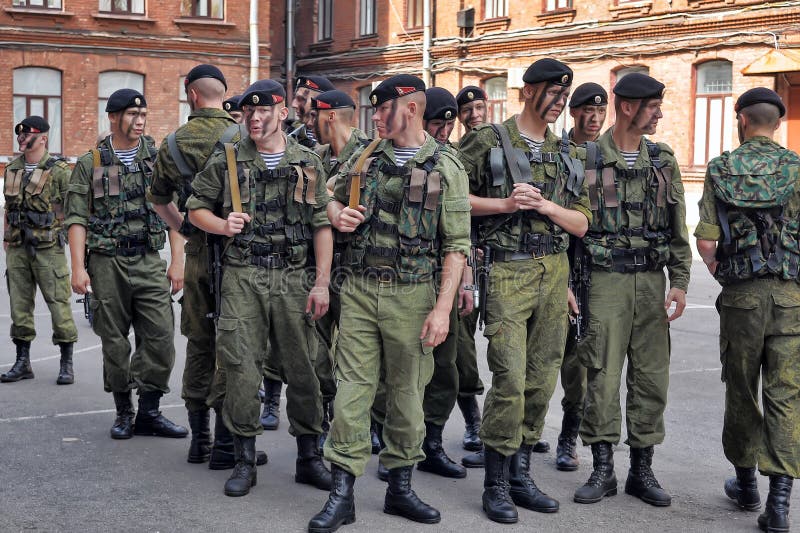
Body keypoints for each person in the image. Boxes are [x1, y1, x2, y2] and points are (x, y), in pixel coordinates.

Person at [308, 74, 471, 532]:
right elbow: (325, 195)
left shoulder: (445, 166)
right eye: (372, 110)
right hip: (359, 290)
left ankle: (400, 488)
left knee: (406, 399)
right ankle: (342, 494)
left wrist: (441, 309)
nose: (375, 118)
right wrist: (338, 213)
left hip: (413, 296)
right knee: (351, 394)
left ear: (412, 109)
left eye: (382, 110)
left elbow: (457, 245)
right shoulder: (365, 157)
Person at [458, 58, 591, 523]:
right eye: (553, 94)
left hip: (553, 273)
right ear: (529, 92)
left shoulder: (566, 152)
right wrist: (505, 203)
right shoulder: (489, 141)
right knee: (510, 380)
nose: (559, 104)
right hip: (506, 271)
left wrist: (549, 206)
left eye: (563, 96)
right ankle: (494, 482)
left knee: (540, 380)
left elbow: (582, 222)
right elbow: (451, 198)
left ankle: (520, 474)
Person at [187, 79, 333, 498]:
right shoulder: (229, 160)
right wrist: (221, 224)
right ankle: (244, 459)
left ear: (282, 113)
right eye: (249, 112)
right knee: (240, 367)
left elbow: (321, 224)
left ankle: (309, 458)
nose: (254, 118)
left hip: (293, 277)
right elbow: (194, 207)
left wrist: (322, 283)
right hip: (242, 275)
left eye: (264, 111)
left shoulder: (307, 161)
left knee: (304, 366)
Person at [573, 73, 691, 508]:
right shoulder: (584, 158)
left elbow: (679, 228)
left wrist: (679, 281)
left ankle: (642, 469)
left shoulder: (663, 160)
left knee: (651, 375)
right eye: (652, 105)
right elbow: (570, 228)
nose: (660, 113)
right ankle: (602, 469)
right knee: (601, 372)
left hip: (652, 282)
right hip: (604, 282)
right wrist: (569, 285)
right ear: (628, 107)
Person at [147, 64, 267, 470]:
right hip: (238, 256)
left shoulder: (173, 143)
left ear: (191, 95)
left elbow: (158, 199)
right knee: (234, 348)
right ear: (222, 93)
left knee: (200, 343)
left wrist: (184, 227)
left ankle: (200, 440)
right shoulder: (242, 135)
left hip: (198, 254)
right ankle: (226, 444)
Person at [695, 87, 799, 533]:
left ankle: (745, 483)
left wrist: (729, 276)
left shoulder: (721, 168)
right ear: (777, 122)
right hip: (791, 299)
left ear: (740, 119)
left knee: (741, 389)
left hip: (741, 298)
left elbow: (706, 240)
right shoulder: (797, 168)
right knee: (786, 395)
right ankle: (778, 505)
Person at [65, 88, 188, 440]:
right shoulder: (92, 162)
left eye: (143, 115)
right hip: (107, 263)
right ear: (113, 118)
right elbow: (76, 218)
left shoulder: (157, 158)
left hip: (148, 260)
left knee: (161, 337)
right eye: (133, 115)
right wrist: (78, 268)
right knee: (114, 341)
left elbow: (174, 214)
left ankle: (149, 412)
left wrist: (177, 261)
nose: (139, 121)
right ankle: (124, 412)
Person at [309, 89, 371, 449]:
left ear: (329, 116)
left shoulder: (370, 154)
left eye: (314, 116)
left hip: (357, 270)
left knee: (355, 356)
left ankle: (364, 426)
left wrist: (325, 194)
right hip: (319, 269)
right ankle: (323, 419)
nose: (309, 123)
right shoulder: (315, 156)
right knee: (316, 350)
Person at [555, 82, 608, 472]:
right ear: (573, 113)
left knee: (581, 365)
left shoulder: (606, 157)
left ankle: (568, 438)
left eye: (600, 112)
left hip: (598, 270)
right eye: (587, 111)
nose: (593, 119)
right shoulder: (557, 154)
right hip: (560, 265)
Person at [1, 116, 78, 385]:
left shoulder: (59, 171)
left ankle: (66, 362)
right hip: (18, 247)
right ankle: (23, 362)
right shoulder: (12, 168)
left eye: (27, 135)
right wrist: (6, 235)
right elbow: (9, 207)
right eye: (19, 135)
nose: (21, 139)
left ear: (43, 138)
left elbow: (74, 211)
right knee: (19, 305)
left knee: (58, 304)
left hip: (48, 248)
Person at [289, 75, 336, 148]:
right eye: (295, 98)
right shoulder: (290, 136)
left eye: (301, 99)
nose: (293, 104)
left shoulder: (345, 141)